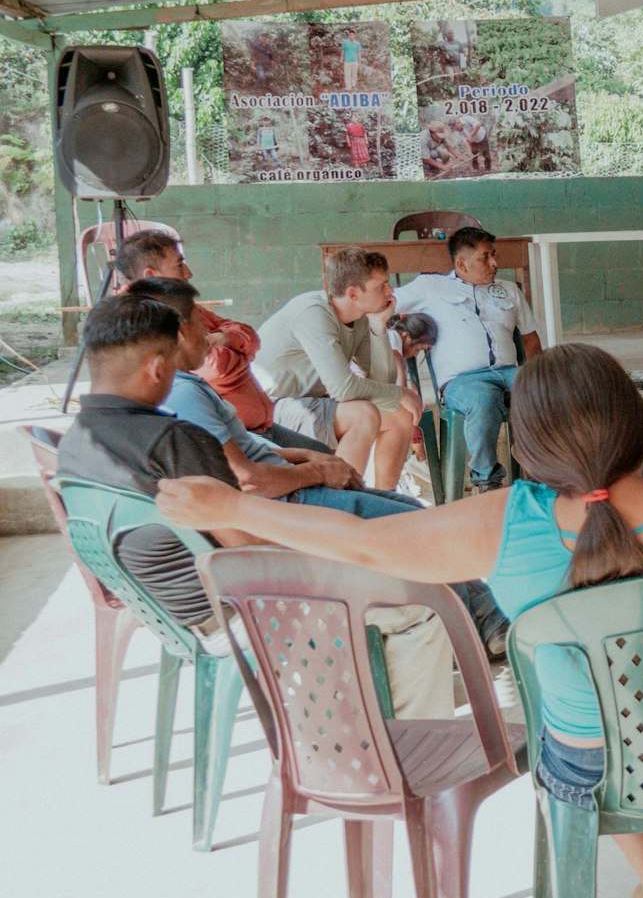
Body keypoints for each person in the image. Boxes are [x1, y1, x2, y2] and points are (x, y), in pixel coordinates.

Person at [158, 343, 643, 898]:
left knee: (591, 723)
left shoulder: (503, 521)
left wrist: (232, 508)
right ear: (635, 419)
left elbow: (360, 541)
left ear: (530, 440)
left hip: (587, 766)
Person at [57, 295, 467, 716]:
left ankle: (377, 706)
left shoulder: (74, 442)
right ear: (158, 368)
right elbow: (252, 548)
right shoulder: (171, 441)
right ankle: (406, 754)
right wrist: (347, 546)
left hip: (174, 612)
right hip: (240, 610)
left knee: (379, 534)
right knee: (419, 604)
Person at [136, 277, 512, 664]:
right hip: (288, 503)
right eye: (203, 322)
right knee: (415, 528)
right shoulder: (185, 392)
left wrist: (305, 458)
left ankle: (483, 617)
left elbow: (246, 452)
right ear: (182, 332)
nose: (211, 331)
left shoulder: (175, 390)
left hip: (286, 483)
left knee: (409, 509)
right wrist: (317, 474)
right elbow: (247, 480)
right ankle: (472, 629)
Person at [111, 229, 328, 455]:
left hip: (258, 428)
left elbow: (250, 335)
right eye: (179, 265)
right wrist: (241, 355)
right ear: (150, 275)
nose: (189, 273)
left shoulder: (187, 307)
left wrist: (226, 338)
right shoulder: (147, 317)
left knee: (325, 457)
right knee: (322, 468)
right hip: (229, 437)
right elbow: (217, 369)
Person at [256, 246, 422, 490]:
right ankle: (341, 505)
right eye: (381, 286)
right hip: (271, 408)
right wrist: (402, 394)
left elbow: (381, 382)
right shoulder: (313, 313)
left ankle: (384, 501)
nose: (390, 291)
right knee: (363, 414)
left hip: (307, 402)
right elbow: (343, 388)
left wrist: (378, 327)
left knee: (399, 416)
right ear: (353, 293)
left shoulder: (361, 317)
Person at [395, 227, 542, 494]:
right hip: (463, 382)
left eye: (493, 255)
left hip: (509, 372)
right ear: (461, 263)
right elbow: (384, 308)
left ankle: (544, 471)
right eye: (485, 257)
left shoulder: (508, 290)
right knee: (483, 399)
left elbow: (531, 338)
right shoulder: (431, 287)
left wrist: (538, 376)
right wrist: (396, 350)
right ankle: (487, 482)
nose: (495, 263)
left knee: (551, 391)